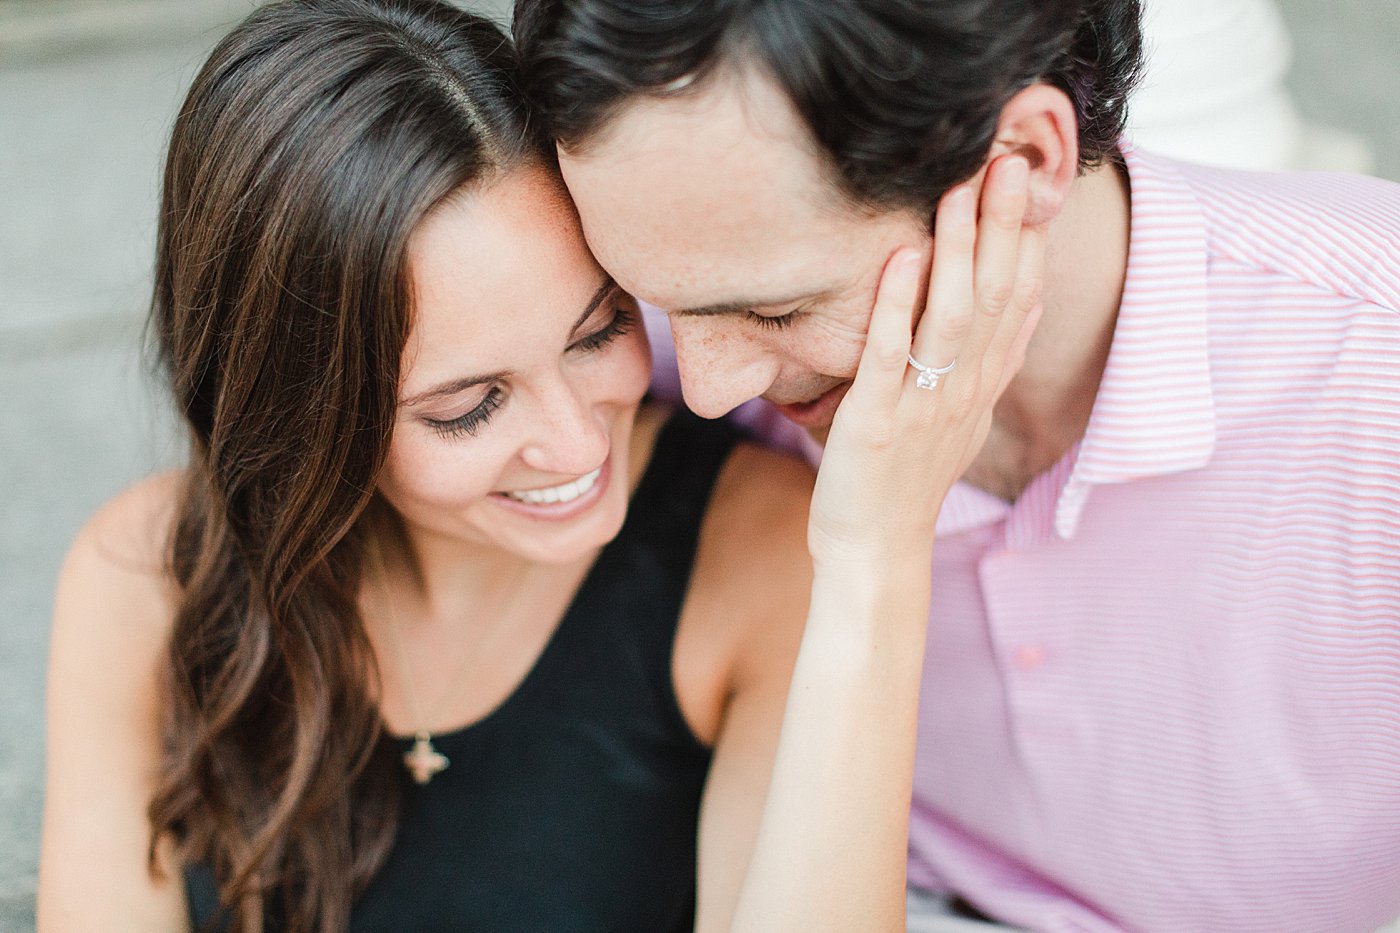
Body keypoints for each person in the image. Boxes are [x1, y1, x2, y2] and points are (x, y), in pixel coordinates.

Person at [36, 1, 1041, 931]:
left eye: (600, 332)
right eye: (468, 407)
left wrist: (876, 557)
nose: (576, 443)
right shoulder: (144, 582)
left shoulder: (755, 555)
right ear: (303, 418)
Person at [512, 1, 1400, 931]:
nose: (704, 388)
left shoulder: (1368, 363)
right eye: (647, 299)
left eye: (776, 312)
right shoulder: (635, 326)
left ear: (1023, 162)